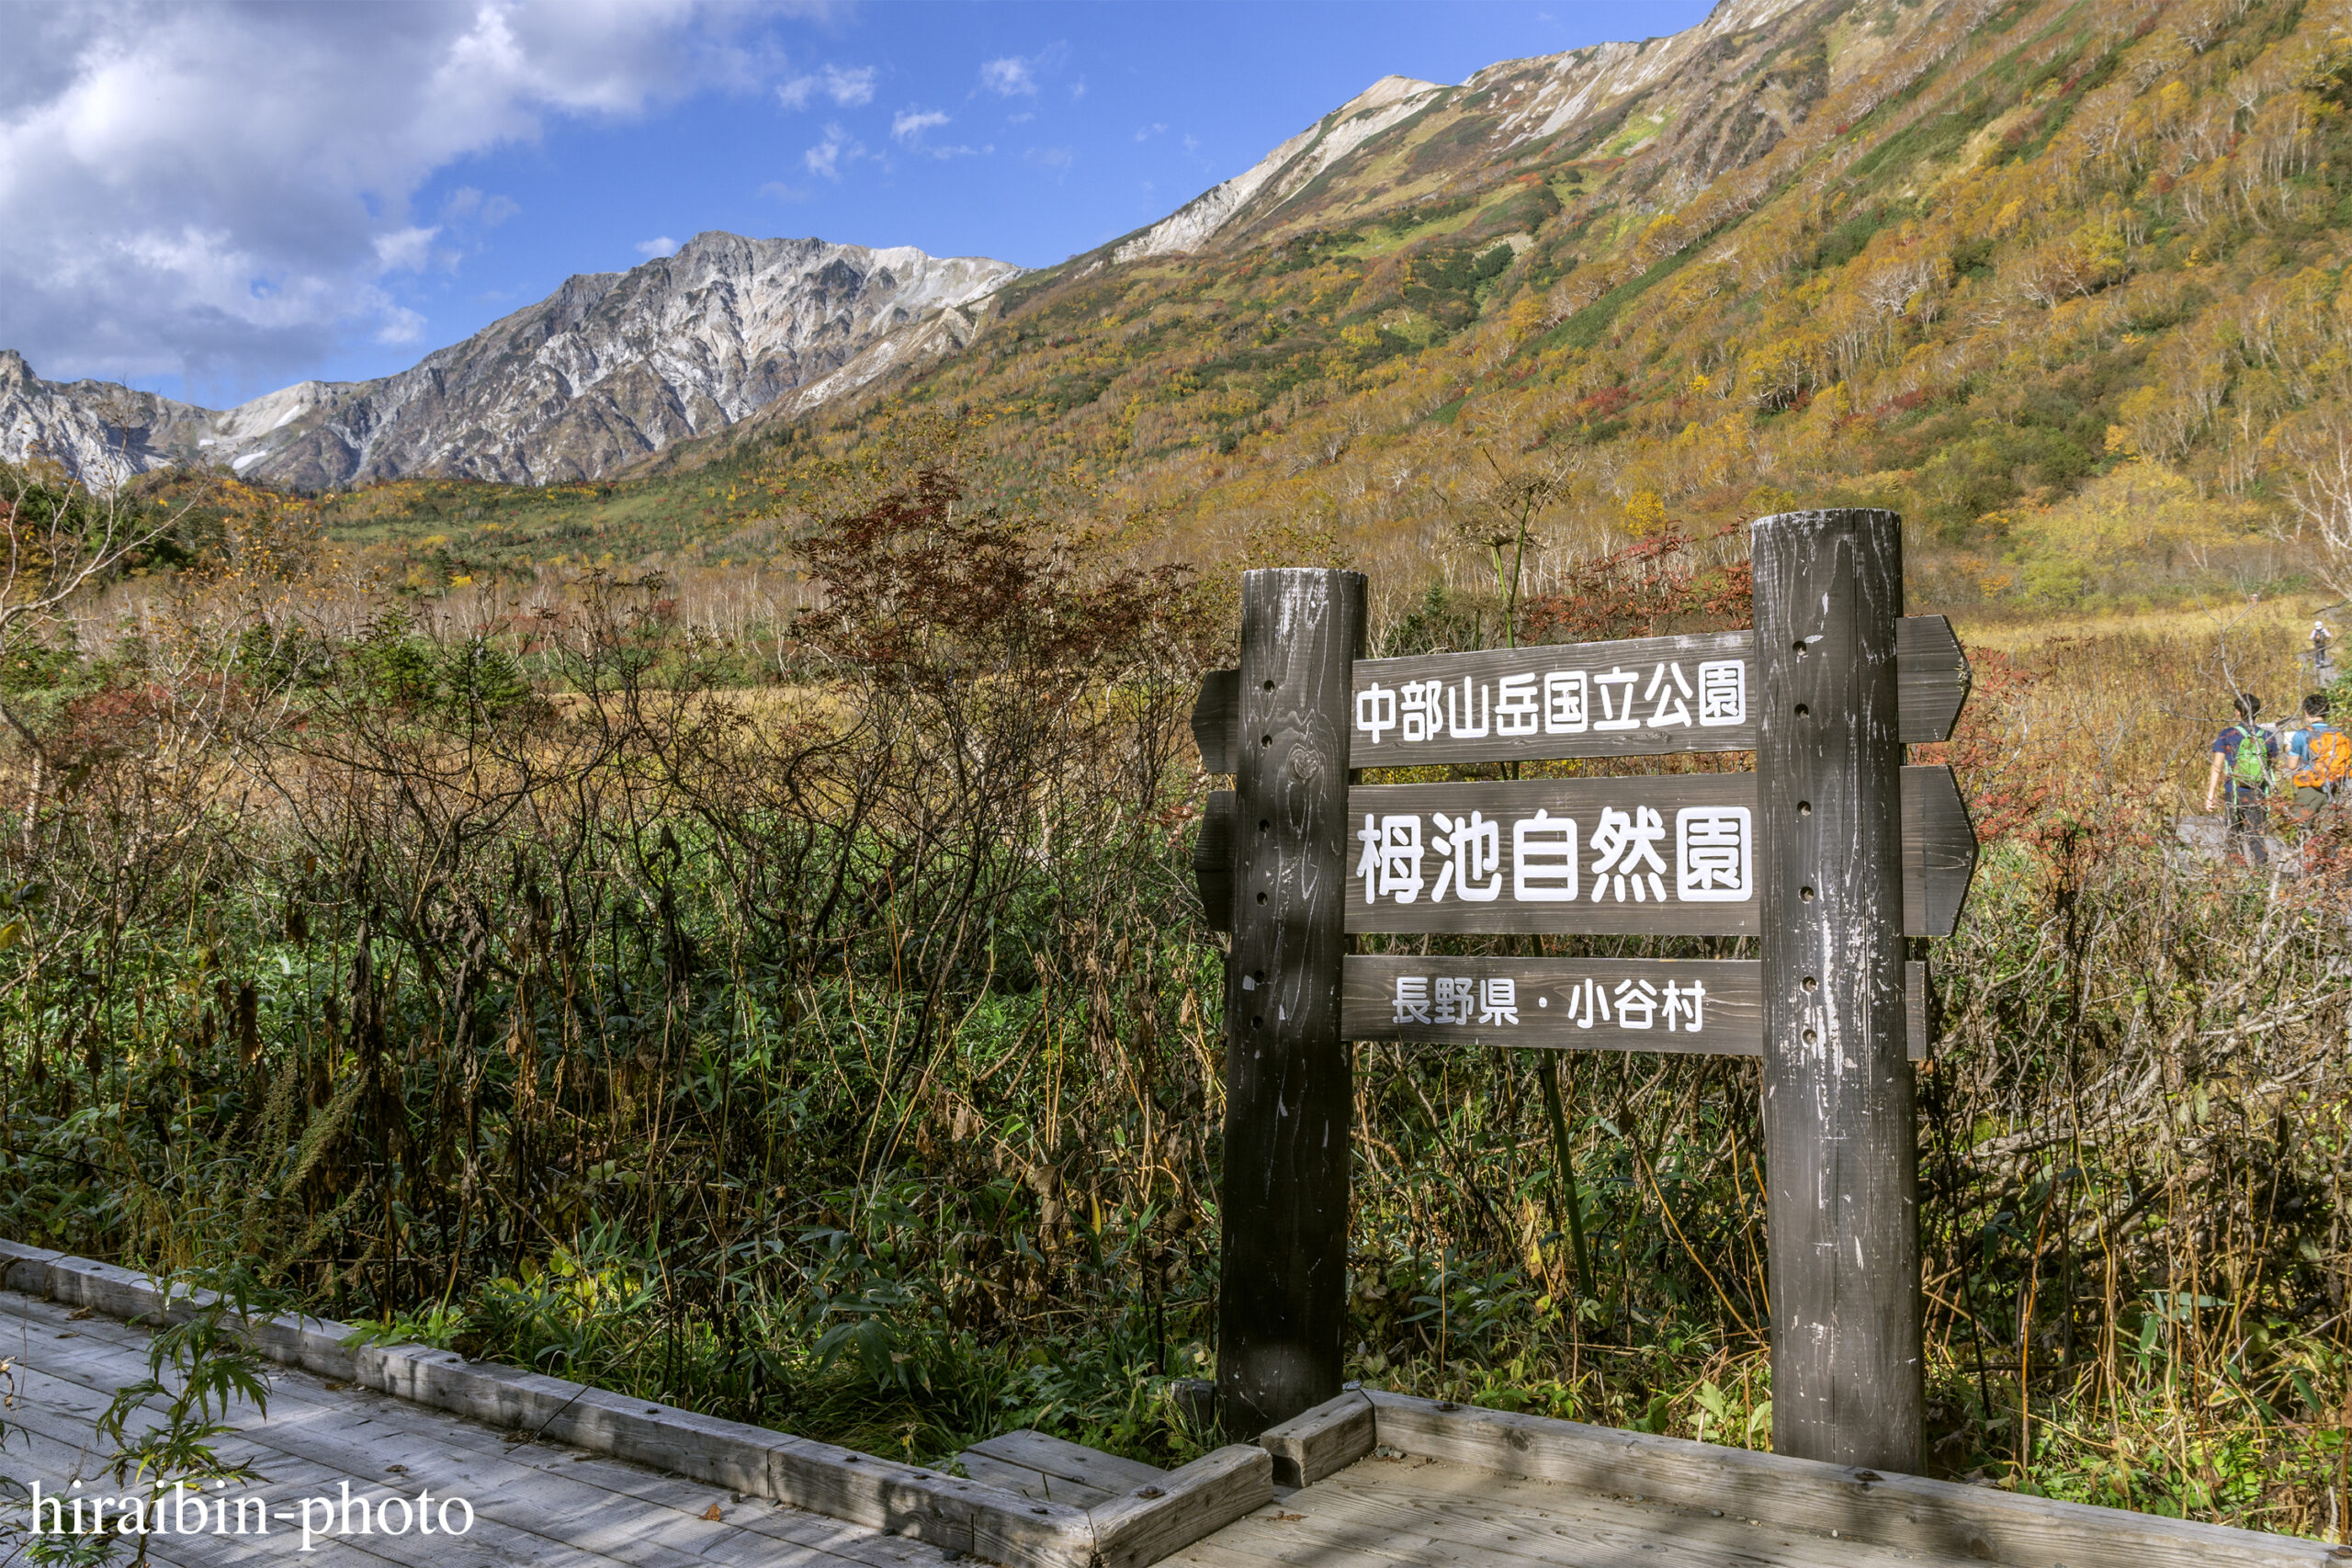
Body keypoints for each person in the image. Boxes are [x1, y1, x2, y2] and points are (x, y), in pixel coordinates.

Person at [2205, 692, 2278, 867]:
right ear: (2257, 711)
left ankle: (2236, 876)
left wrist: (2210, 795)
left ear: (2238, 712)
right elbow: (2272, 768)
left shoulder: (2227, 735)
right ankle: (2262, 875)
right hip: (2259, 792)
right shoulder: (2268, 736)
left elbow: (2217, 767)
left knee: (2233, 835)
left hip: (2234, 792)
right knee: (2256, 836)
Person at [2287, 691, 2352, 821]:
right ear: (2326, 712)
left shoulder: (2301, 734)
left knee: (2303, 830)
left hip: (2309, 788)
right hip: (2335, 788)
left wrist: (2289, 751)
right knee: (2328, 835)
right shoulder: (2339, 734)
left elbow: (2292, 765)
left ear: (2306, 711)